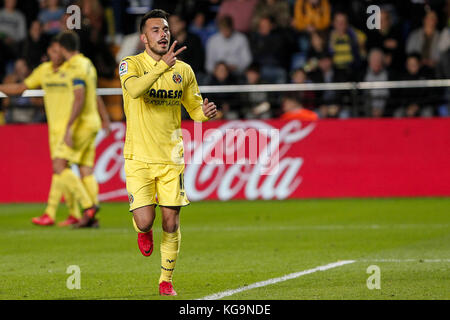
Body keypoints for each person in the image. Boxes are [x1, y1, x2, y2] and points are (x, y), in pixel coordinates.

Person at [118, 9, 217, 296]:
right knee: (145, 220)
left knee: (172, 221)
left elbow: (194, 110)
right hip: (138, 157)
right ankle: (143, 231)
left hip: (171, 158)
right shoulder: (130, 64)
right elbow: (135, 90)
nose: (163, 34)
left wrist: (205, 113)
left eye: (165, 29)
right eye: (155, 30)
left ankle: (165, 280)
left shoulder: (183, 71)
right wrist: (161, 66)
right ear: (143, 37)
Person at [0, 37, 110, 226]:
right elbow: (20, 88)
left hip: (73, 126)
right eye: (52, 50)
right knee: (81, 169)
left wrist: (99, 118)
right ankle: (78, 214)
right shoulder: (45, 71)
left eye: (58, 50)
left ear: (63, 50)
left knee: (60, 167)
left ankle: (86, 207)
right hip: (59, 128)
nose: (55, 53)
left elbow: (83, 95)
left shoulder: (73, 68)